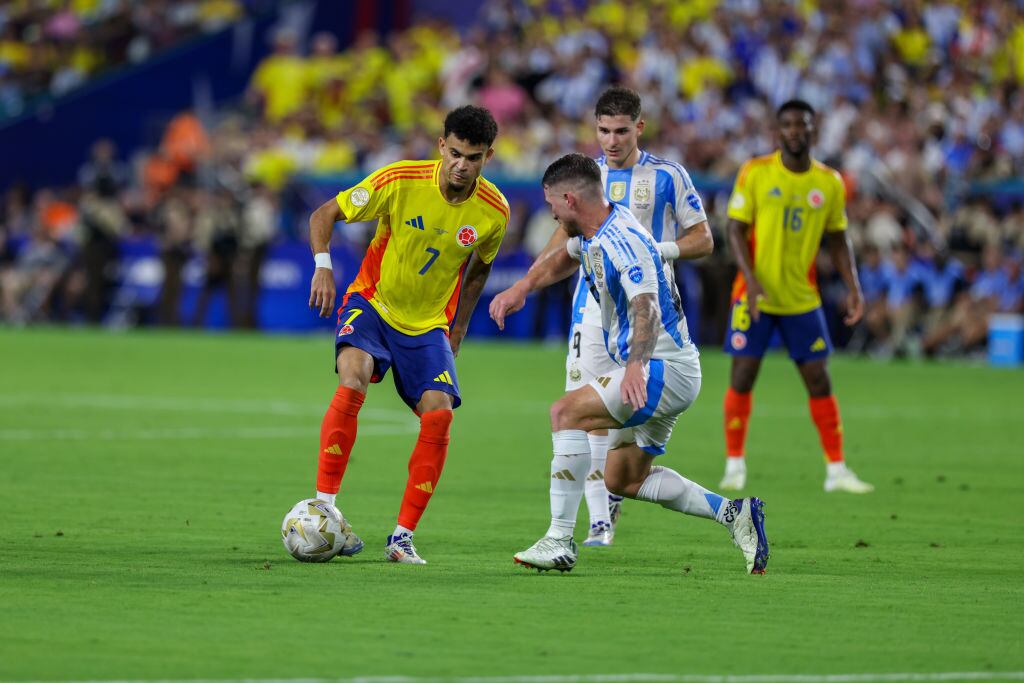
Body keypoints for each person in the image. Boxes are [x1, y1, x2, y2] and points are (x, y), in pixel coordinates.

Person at [491, 154, 768, 575]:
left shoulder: (623, 239)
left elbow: (646, 304)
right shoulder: (594, 227)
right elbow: (568, 254)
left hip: (662, 368)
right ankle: (736, 514)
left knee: (566, 412)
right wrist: (522, 287)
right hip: (671, 368)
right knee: (624, 479)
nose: (550, 213)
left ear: (569, 199)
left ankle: (559, 539)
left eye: (552, 205)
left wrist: (637, 365)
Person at [490, 86, 713, 547]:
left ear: (639, 128)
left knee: (592, 416)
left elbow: (704, 240)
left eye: (621, 131)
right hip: (593, 304)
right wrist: (524, 285)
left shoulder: (668, 176)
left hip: (646, 303)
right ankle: (598, 520)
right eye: (603, 131)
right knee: (580, 407)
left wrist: (659, 251)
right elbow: (565, 243)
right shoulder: (586, 177)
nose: (611, 141)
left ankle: (576, 525)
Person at [307, 105, 508, 564]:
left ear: (487, 157)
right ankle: (325, 509)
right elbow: (323, 215)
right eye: (455, 153)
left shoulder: (495, 211)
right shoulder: (399, 179)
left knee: (439, 416)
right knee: (352, 379)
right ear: (442, 146)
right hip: (373, 303)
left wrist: (457, 329)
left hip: (427, 326)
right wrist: (323, 266)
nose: (461, 165)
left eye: (473, 157)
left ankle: (401, 538)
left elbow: (480, 271)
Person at [719, 99, 872, 494]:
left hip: (802, 298)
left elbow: (838, 238)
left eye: (802, 124)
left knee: (819, 380)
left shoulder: (829, 182)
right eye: (787, 125)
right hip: (753, 295)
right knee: (743, 375)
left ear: (813, 130)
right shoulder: (755, 172)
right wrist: (750, 279)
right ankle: (734, 464)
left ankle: (837, 469)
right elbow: (735, 229)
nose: (795, 131)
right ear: (777, 131)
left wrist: (854, 286)